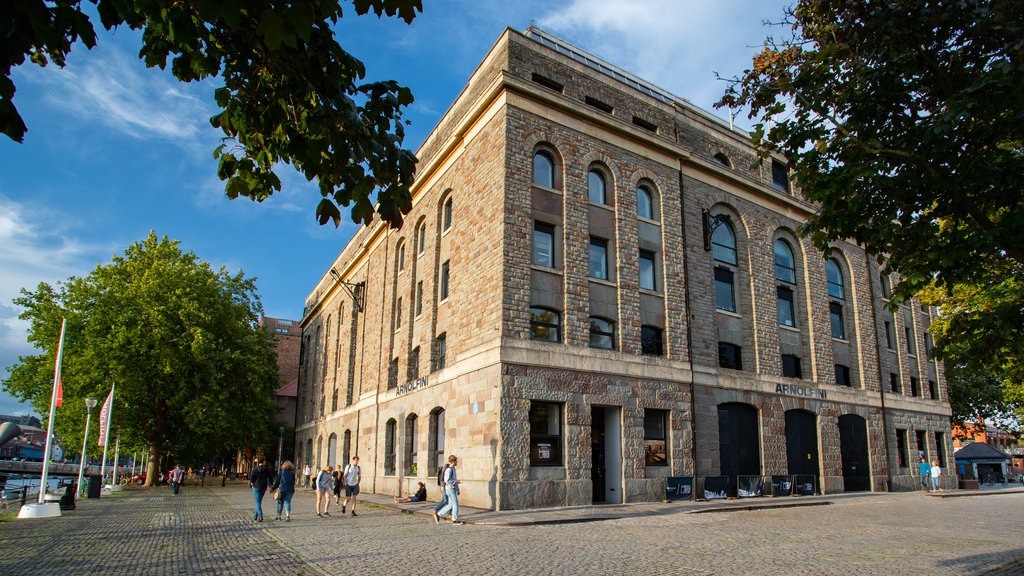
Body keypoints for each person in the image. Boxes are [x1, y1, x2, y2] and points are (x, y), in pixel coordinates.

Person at [433, 454, 462, 525]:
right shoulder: (449, 470)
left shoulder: (453, 469)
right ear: (453, 461)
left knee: (450, 505)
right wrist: (456, 482)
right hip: (450, 489)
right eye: (456, 461)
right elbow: (447, 480)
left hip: (452, 489)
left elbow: (453, 480)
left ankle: (438, 514)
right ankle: (454, 520)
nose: (457, 462)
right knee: (455, 504)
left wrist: (457, 489)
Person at [249, 457, 271, 522]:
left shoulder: (255, 469)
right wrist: (271, 484)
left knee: (257, 502)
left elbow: (252, 477)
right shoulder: (267, 469)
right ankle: (255, 515)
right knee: (259, 501)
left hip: (256, 486)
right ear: (263, 461)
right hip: (263, 487)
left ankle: (260, 515)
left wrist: (251, 482)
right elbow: (270, 477)